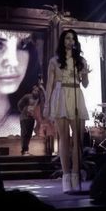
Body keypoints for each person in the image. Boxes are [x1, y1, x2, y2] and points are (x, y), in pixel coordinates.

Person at [43, 29, 90, 193]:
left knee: (77, 139)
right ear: (63, 41)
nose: (71, 41)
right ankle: (66, 176)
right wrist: (47, 105)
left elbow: (85, 84)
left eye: (73, 38)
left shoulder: (81, 60)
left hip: (76, 95)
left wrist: (85, 74)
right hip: (60, 95)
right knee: (63, 138)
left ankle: (76, 175)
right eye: (68, 38)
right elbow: (49, 84)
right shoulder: (54, 61)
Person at [17, 85, 44, 155]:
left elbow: (45, 99)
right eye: (35, 90)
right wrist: (25, 111)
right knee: (24, 134)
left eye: (37, 91)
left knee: (29, 134)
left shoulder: (39, 99)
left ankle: (26, 150)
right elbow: (19, 104)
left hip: (32, 118)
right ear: (32, 90)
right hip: (24, 118)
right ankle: (24, 150)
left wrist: (43, 89)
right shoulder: (27, 97)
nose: (36, 92)